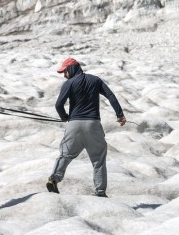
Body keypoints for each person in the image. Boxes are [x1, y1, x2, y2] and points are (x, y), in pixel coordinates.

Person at [47, 57, 126, 197]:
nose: (64, 75)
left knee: (65, 154)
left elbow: (59, 105)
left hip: (74, 125)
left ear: (70, 69)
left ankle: (54, 178)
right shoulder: (95, 80)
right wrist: (119, 114)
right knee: (98, 160)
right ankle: (100, 192)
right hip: (93, 124)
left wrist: (64, 117)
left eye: (64, 71)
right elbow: (110, 96)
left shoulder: (69, 83)